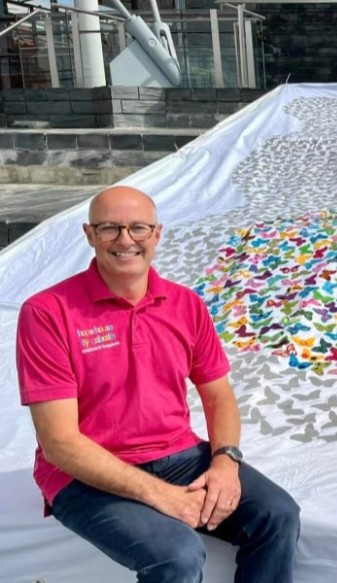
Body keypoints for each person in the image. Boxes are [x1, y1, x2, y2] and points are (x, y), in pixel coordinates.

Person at [16, 186, 300, 582]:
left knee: (278, 515)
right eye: (110, 228)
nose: (125, 240)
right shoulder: (47, 312)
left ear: (157, 233)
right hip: (84, 475)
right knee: (178, 554)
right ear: (89, 234)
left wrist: (225, 462)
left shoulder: (186, 305)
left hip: (178, 456)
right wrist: (162, 496)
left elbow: (219, 397)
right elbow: (59, 443)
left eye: (138, 228)